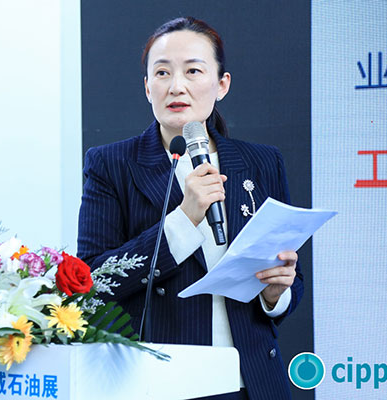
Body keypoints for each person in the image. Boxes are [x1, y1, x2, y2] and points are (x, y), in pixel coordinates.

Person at [77, 17, 303, 400]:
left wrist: (275, 293)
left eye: (193, 71)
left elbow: (291, 278)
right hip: (160, 381)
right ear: (147, 87)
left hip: (251, 381)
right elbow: (94, 281)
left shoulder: (262, 162)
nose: (176, 86)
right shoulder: (111, 164)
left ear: (222, 84)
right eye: (162, 72)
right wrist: (183, 219)